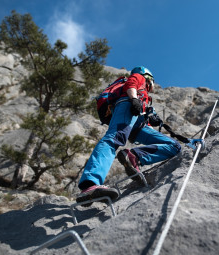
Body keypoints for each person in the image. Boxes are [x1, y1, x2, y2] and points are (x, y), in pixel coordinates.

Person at [76, 66, 182, 204]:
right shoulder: (140, 77)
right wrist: (133, 99)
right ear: (149, 77)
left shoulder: (145, 95)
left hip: (138, 120)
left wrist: (151, 116)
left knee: (174, 146)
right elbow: (131, 84)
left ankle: (134, 156)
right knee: (113, 138)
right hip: (126, 105)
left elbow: (141, 104)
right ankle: (90, 184)